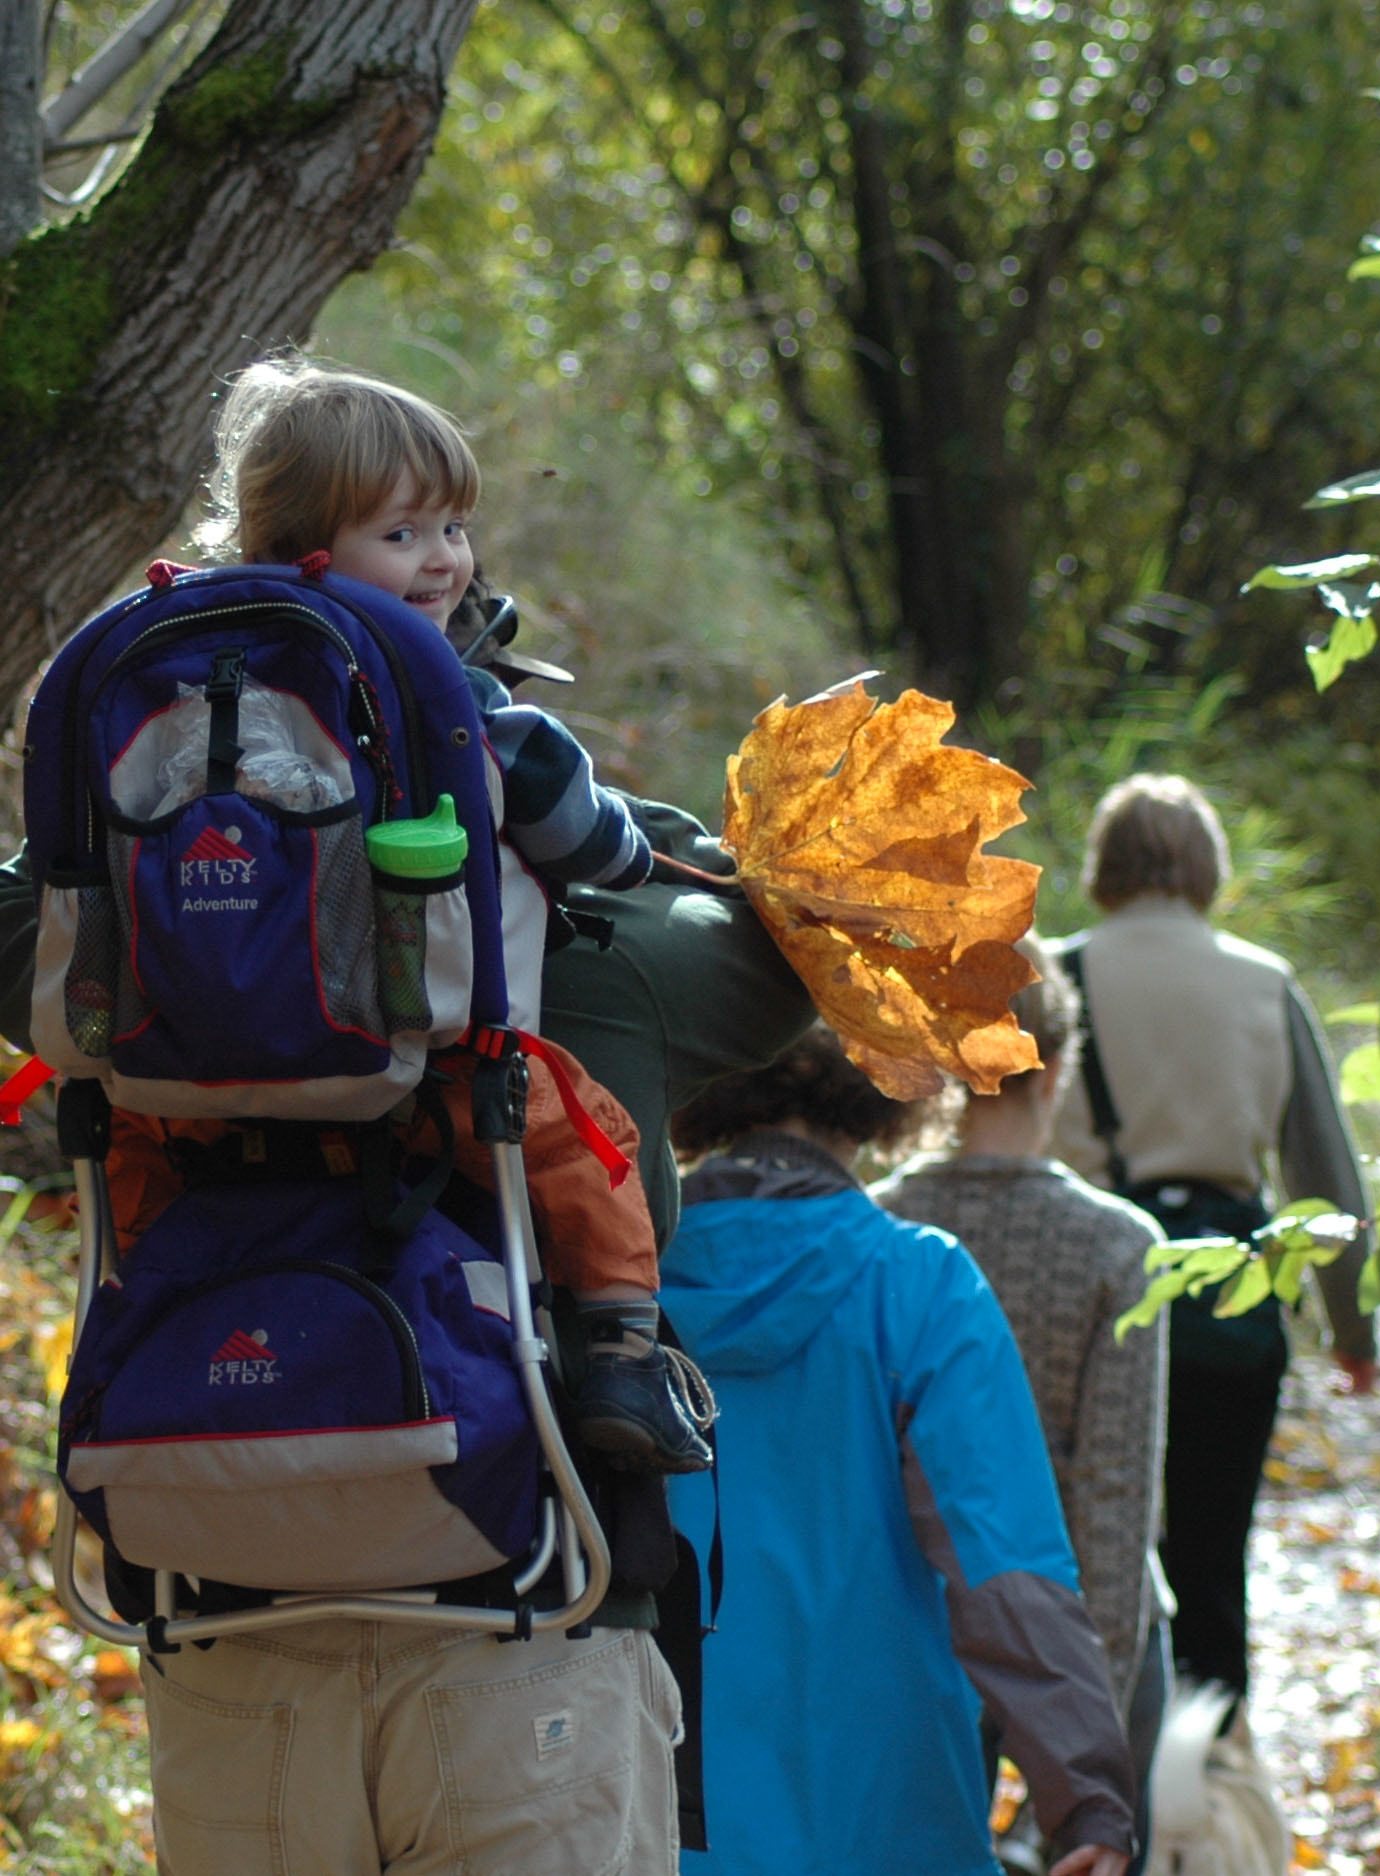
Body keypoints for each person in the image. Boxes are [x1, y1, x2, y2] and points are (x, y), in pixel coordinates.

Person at [0, 791, 817, 1876]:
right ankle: (619, 1367)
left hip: (225, 1616)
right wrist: (633, 835)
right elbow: (790, 953)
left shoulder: (134, 959)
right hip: (525, 1615)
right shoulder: (590, 952)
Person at [188, 353, 705, 1474]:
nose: (444, 562)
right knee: (592, 1151)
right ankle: (619, 1356)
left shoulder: (189, 668)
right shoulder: (436, 684)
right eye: (406, 533)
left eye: (454, 528)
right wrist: (634, 850)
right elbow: (574, 825)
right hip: (432, 1055)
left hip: (198, 1061)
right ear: (309, 549)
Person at [663, 1026, 1136, 1876]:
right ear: (891, 1082)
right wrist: (1086, 1793)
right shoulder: (920, 1284)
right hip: (885, 1808)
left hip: (660, 1808)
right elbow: (1004, 1563)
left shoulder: (617, 1282)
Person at [1048, 773, 1377, 1707]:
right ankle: (1212, 1790)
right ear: (1209, 868)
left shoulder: (1050, 975)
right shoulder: (1264, 984)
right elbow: (1325, 1176)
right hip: (1228, 1304)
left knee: (1076, 1560)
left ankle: (1079, 1788)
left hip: (1084, 1307)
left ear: (1104, 867)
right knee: (1211, 1561)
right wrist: (1353, 1329)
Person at [873, 934, 1172, 1870]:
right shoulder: (1118, 1247)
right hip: (1079, 1632)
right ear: (1057, 1074)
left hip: (917, 1633)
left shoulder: (876, 1226)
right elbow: (1117, 1507)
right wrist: (1095, 1762)